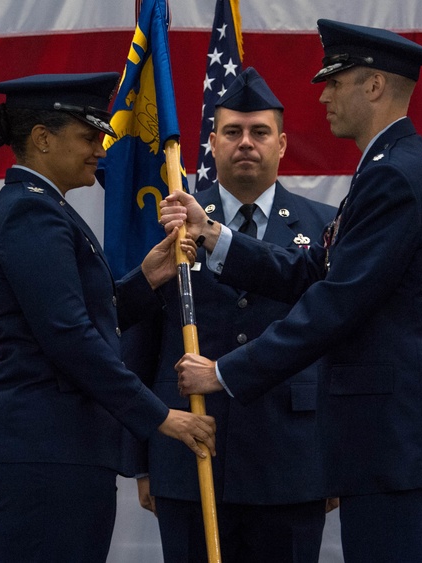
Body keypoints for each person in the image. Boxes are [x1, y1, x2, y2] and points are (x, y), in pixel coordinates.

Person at [162, 20, 422, 562]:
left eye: (336, 80)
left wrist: (224, 372)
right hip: (388, 447)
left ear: (374, 86)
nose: (325, 95)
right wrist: (214, 235)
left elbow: (335, 304)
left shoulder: (394, 176)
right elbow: (316, 269)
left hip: (397, 446)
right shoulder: (385, 167)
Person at [0, 72, 216, 562]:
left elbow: (75, 318)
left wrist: (146, 278)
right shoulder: (31, 215)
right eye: (87, 136)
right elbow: (70, 338)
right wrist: (161, 417)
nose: (100, 150)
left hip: (57, 445)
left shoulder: (43, 209)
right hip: (46, 448)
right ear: (42, 138)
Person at [126, 67, 336, 562]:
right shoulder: (169, 221)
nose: (247, 143)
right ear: (213, 143)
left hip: (294, 458)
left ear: (282, 145)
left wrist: (336, 458)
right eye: (233, 132)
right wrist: (141, 458)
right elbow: (140, 339)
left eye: (260, 132)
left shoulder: (324, 227)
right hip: (188, 454)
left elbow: (335, 344)